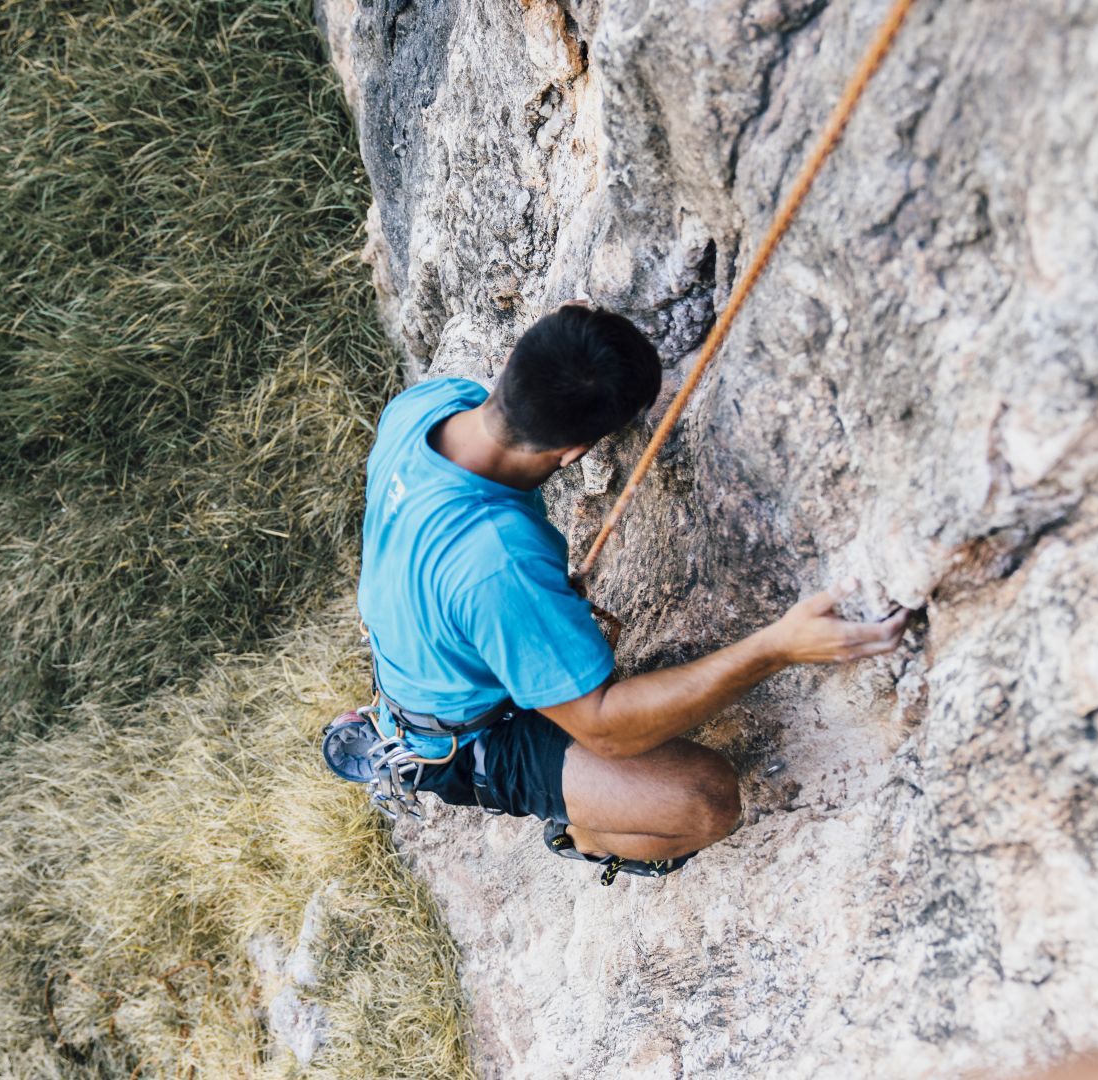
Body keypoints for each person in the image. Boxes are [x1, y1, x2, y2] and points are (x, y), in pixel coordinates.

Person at [355, 303, 907, 883]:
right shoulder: (499, 563)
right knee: (702, 800)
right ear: (573, 453)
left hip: (427, 659)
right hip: (465, 741)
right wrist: (779, 647)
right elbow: (606, 729)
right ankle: (581, 837)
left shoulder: (430, 403)